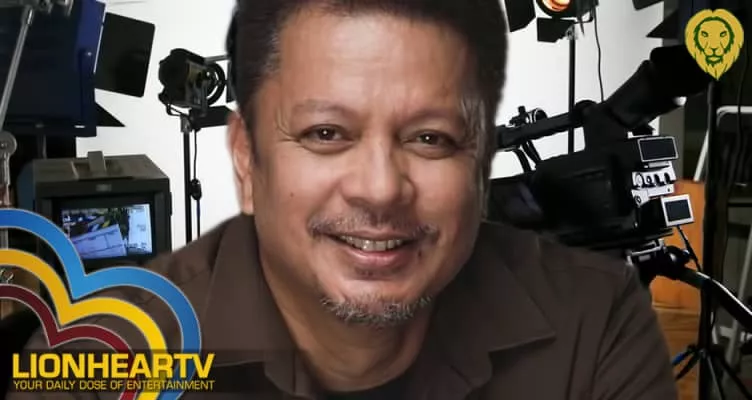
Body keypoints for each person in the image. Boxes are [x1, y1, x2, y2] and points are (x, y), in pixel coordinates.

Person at [7, 0, 679, 399]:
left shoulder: (596, 328)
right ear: (246, 159)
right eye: (326, 133)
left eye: (428, 136)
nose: (379, 189)